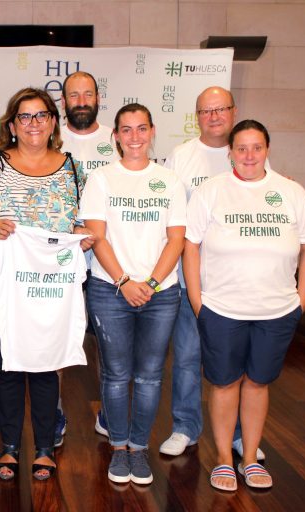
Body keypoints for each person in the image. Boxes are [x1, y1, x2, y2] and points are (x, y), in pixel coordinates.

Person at [0, 87, 90, 481]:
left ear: (53, 122)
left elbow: (84, 220)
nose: (33, 124)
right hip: (3, 282)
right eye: (25, 117)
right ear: (12, 125)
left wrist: (80, 236)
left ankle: (46, 447)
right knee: (9, 366)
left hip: (52, 287)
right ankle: (11, 446)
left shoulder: (72, 167)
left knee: (47, 367)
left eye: (41, 115)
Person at [184, 120, 305, 491]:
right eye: (241, 148)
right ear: (229, 151)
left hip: (276, 311)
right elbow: (190, 246)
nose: (248, 155)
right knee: (226, 384)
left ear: (267, 150)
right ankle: (225, 461)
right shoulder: (211, 191)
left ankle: (250, 458)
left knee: (258, 384)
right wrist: (198, 303)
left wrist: (301, 300)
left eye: (256, 147)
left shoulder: (291, 191)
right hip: (222, 310)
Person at [79, 103, 186, 485]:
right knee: (115, 374)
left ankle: (139, 449)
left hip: (161, 293)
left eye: (142, 129)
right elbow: (97, 237)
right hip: (111, 290)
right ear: (116, 136)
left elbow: (176, 240)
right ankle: (119, 447)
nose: (135, 137)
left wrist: (152, 284)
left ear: (152, 132)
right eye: (127, 130)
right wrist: (125, 282)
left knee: (150, 377)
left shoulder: (169, 180)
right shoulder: (101, 179)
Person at [160, 87, 265, 461]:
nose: (214, 116)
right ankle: (185, 427)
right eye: (206, 110)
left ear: (234, 111)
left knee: (238, 364)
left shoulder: (246, 155)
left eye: (221, 109)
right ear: (196, 116)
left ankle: (240, 435)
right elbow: (167, 215)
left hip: (239, 285)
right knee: (187, 357)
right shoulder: (181, 156)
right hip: (192, 281)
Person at [60, 70, 119, 442]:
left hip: (106, 255)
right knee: (58, 335)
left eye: (88, 94)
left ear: (98, 98)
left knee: (107, 340)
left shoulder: (116, 142)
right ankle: (54, 415)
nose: (81, 101)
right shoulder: (50, 138)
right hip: (59, 256)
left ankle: (111, 413)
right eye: (74, 95)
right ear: (63, 102)